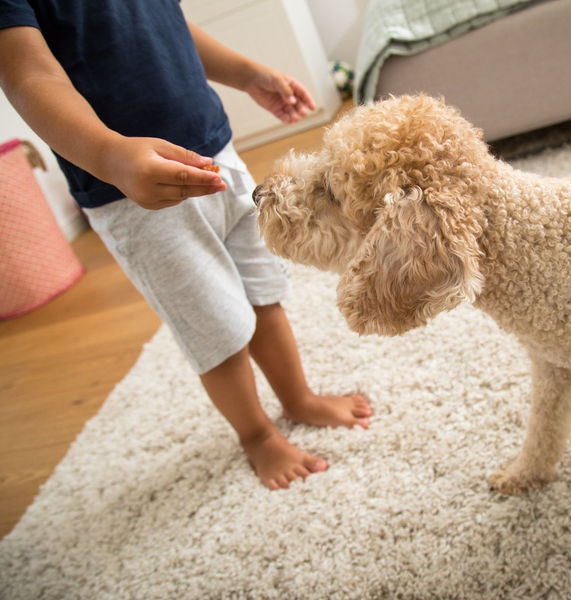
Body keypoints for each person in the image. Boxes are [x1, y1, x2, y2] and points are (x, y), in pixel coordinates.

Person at [0, 0, 372, 490]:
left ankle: (298, 398)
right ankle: (257, 435)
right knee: (211, 321)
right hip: (130, 189)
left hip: (215, 148)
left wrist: (247, 73)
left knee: (261, 288)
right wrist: (110, 156)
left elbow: (169, 25)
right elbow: (30, 78)